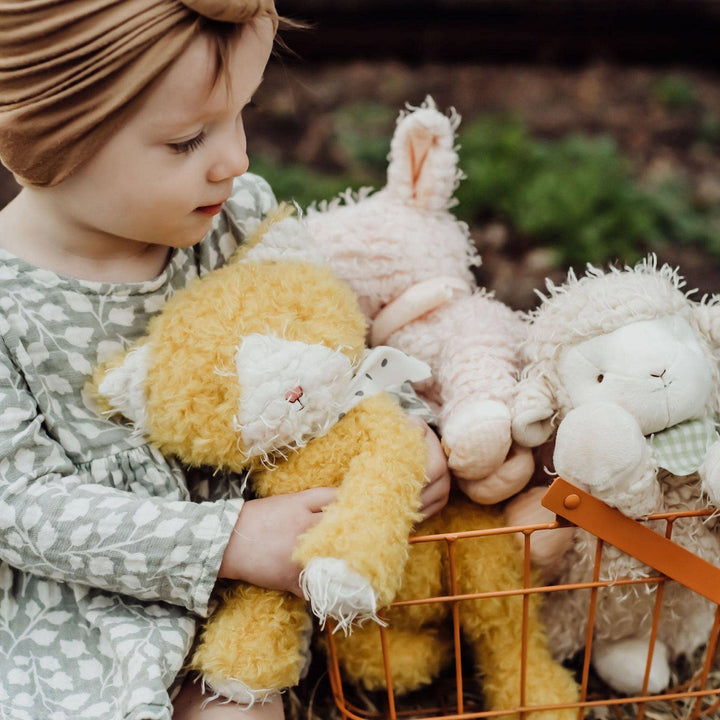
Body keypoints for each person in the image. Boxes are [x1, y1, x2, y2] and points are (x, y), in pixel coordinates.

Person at [0, 2, 451, 719]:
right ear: (46, 135)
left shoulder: (236, 216)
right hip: (86, 615)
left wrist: (397, 431)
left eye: (240, 113)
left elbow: (330, 348)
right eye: (186, 141)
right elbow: (21, 505)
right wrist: (228, 539)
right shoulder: (8, 301)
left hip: (262, 606)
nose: (235, 158)